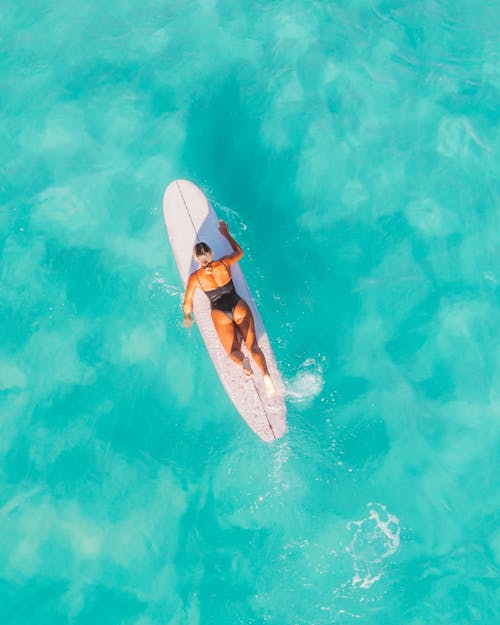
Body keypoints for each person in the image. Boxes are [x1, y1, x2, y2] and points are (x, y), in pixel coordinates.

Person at [183, 220, 275, 395]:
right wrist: (226, 234)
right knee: (253, 346)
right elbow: (239, 252)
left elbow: (188, 303)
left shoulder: (196, 278)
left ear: (197, 259)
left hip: (220, 313)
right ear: (211, 254)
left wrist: (187, 317)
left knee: (233, 351)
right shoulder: (224, 263)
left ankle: (243, 362)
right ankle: (265, 374)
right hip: (238, 305)